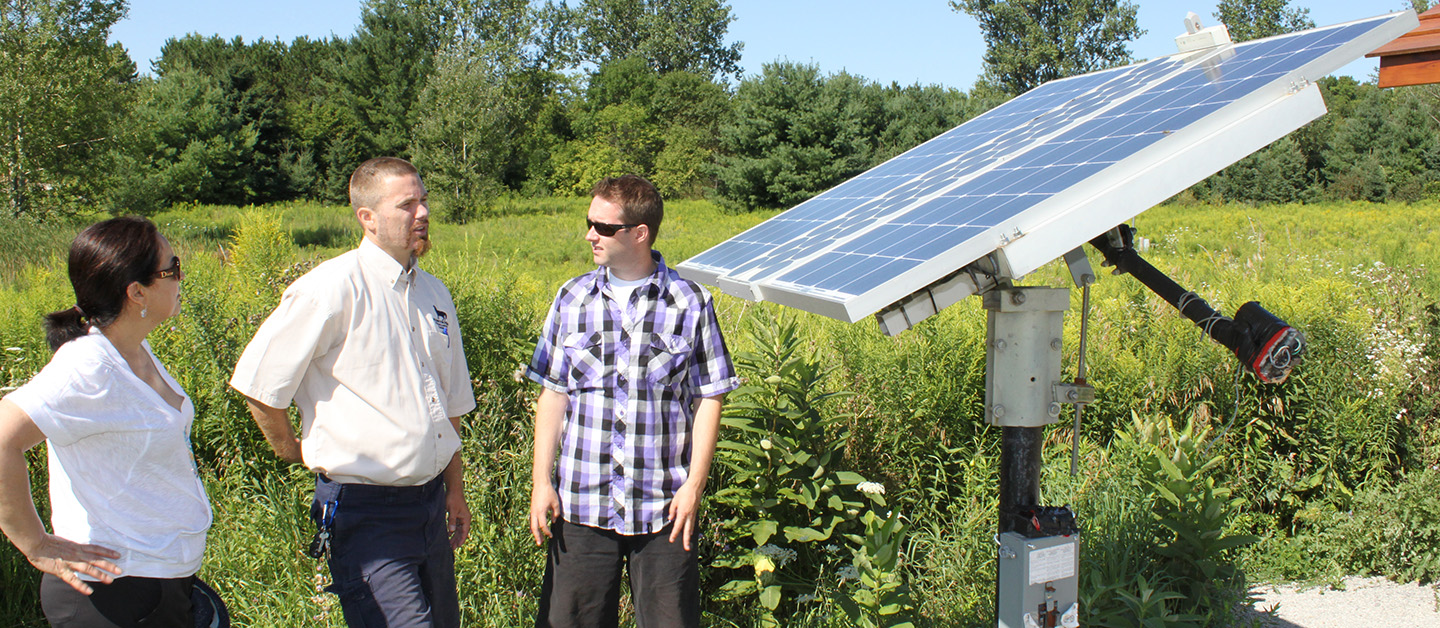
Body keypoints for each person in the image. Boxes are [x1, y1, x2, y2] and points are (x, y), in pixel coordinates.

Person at [229, 157, 476, 628]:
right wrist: (292, 450)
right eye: (407, 204)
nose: (422, 212)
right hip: (366, 513)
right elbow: (260, 385)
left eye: (424, 200)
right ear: (367, 217)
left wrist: (454, 490)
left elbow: (449, 406)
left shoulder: (434, 295)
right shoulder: (330, 289)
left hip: (427, 506)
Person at [525, 174, 739, 628]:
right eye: (589, 222)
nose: (589, 235)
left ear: (639, 233)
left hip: (665, 507)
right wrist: (541, 481)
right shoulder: (571, 298)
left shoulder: (691, 303)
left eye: (602, 227)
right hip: (581, 502)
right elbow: (553, 393)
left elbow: (709, 398)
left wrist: (693, 486)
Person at [0, 217, 211, 627]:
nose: (182, 277)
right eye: (173, 268)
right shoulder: (88, 368)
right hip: (114, 593)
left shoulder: (132, 351)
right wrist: (35, 544)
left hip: (157, 579)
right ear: (136, 292)